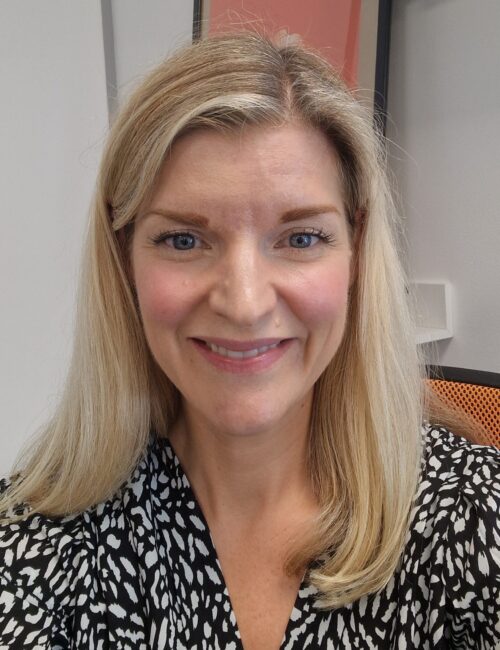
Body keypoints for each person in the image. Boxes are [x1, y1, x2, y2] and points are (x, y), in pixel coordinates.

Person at [0, 32, 498, 650]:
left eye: (301, 238)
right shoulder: (40, 545)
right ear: (123, 258)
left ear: (357, 254)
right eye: (183, 240)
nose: (244, 303)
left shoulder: (475, 521)